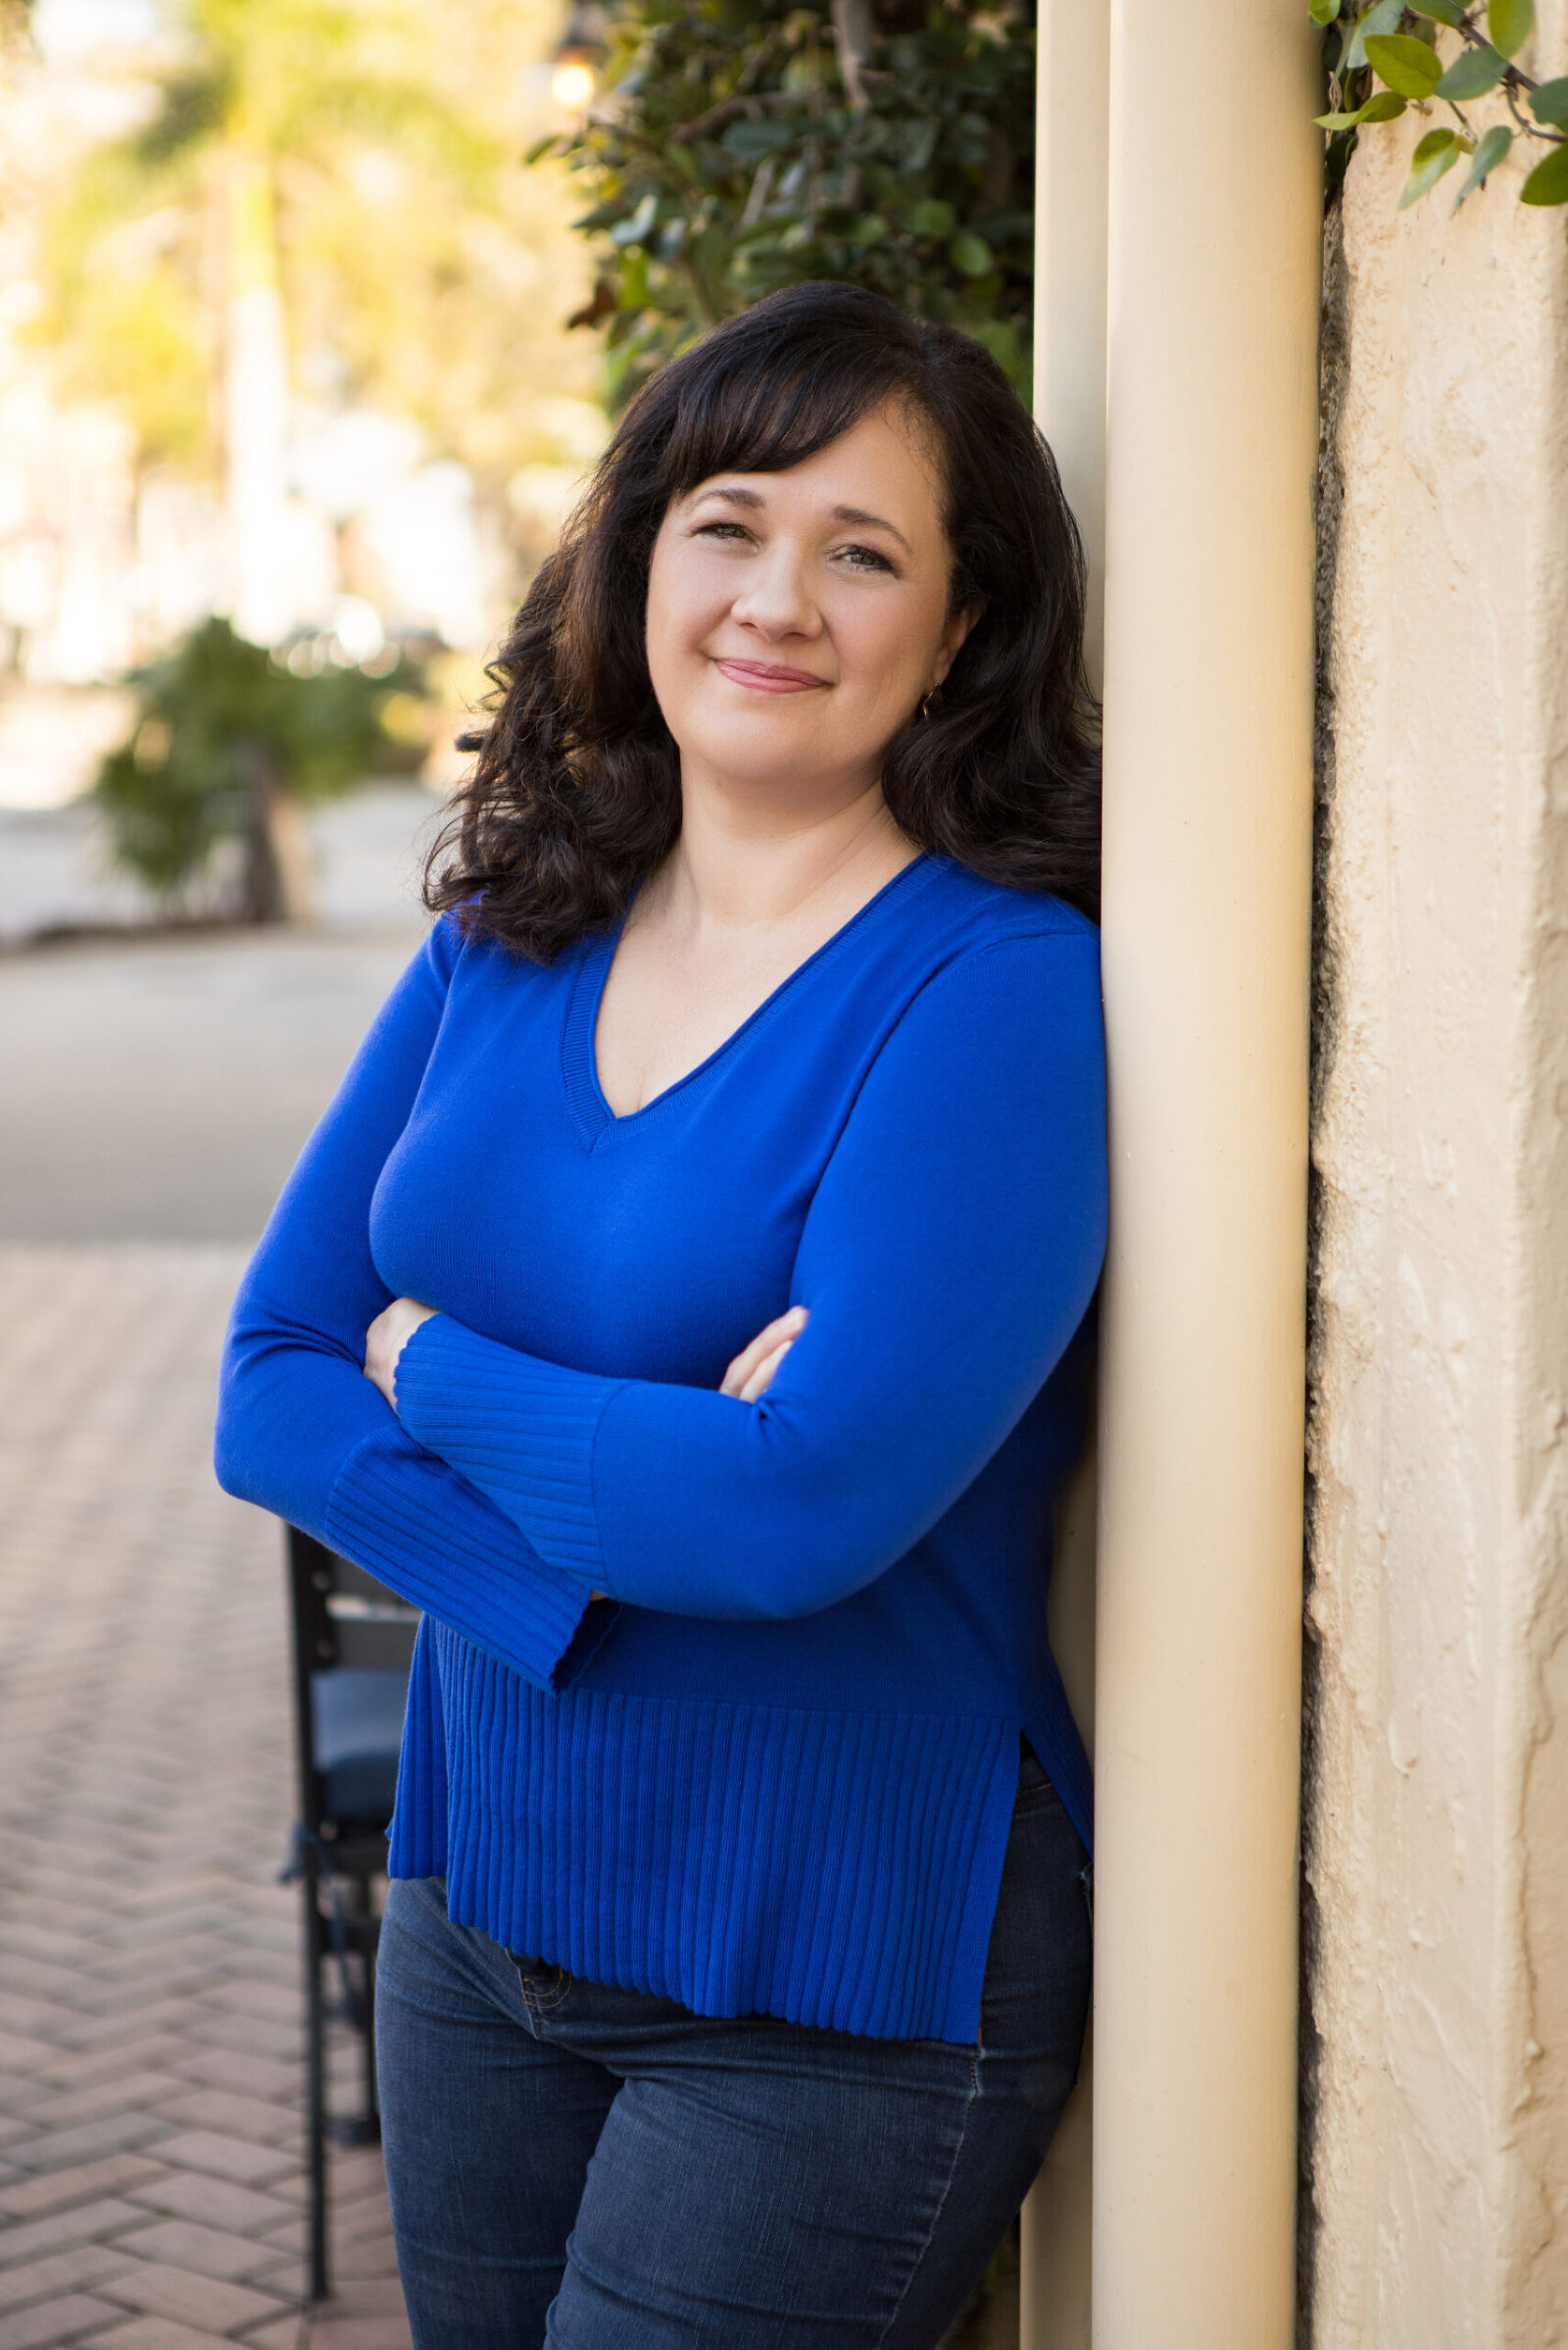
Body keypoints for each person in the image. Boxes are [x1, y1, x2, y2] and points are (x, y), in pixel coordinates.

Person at [215, 278, 1106, 2350]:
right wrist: (598, 1553)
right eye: (727, 520)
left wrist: (422, 1360)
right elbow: (267, 1383)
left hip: (828, 1965)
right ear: (638, 561)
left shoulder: (988, 996)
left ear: (956, 628)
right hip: (477, 1887)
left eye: (861, 549)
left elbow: (795, 1516)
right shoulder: (507, 931)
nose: (774, 596)